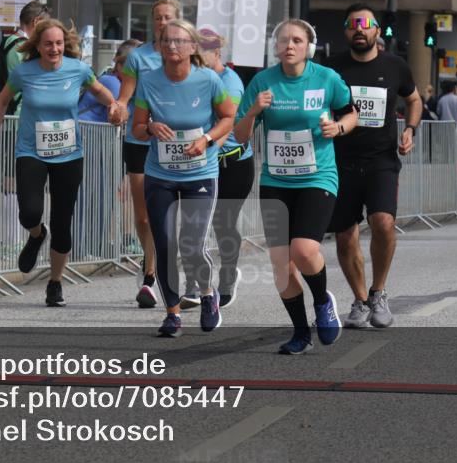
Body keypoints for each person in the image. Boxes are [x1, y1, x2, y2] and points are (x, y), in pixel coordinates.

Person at [234, 19, 358, 355]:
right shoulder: (262, 82)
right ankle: (301, 333)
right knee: (281, 263)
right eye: (284, 40)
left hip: (318, 176)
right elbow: (240, 136)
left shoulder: (326, 78)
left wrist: (338, 128)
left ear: (309, 47)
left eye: (297, 40)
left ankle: (322, 302)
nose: (290, 46)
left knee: (302, 250)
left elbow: (351, 115)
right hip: (276, 180)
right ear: (275, 47)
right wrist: (254, 111)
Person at [0, 19, 124, 307]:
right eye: (48, 44)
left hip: (68, 154)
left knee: (63, 221)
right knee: (29, 212)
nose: (54, 49)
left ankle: (55, 282)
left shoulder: (78, 69)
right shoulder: (24, 72)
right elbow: (1, 102)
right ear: (38, 46)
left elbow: (99, 90)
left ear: (65, 44)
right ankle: (37, 235)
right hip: (31, 151)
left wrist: (113, 105)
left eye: (59, 43)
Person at [131, 19, 236, 336]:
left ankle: (207, 294)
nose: (172, 46)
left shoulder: (208, 80)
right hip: (160, 174)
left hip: (200, 173)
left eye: (179, 41)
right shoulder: (149, 81)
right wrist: (150, 127)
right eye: (166, 41)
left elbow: (228, 117)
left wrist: (206, 139)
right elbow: (137, 128)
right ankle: (172, 314)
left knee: (192, 244)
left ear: (192, 47)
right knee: (164, 244)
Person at [326, 5, 421, 329]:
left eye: (366, 24)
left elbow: (414, 99)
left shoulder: (395, 66)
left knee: (382, 222)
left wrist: (410, 129)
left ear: (377, 30)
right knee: (344, 236)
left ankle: (378, 292)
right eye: (353, 24)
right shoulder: (332, 68)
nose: (360, 29)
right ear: (345, 31)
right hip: (340, 161)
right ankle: (359, 300)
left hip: (381, 160)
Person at [116, 0, 180, 308]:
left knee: (169, 214)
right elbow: (125, 96)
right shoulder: (138, 58)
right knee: (143, 216)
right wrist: (118, 108)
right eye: (158, 17)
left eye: (168, 17)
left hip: (176, 144)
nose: (162, 22)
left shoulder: (188, 54)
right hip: (140, 141)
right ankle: (150, 270)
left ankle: (156, 273)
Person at [198, 28, 254, 308]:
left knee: (223, 221)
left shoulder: (229, 82)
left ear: (217, 53)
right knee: (199, 221)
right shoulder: (197, 77)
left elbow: (227, 124)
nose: (196, 59)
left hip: (234, 162)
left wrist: (208, 146)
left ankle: (228, 274)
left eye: (202, 53)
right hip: (205, 159)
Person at [79, 39, 138, 122]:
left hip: (95, 128)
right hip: (85, 128)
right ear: (119, 65)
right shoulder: (112, 82)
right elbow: (124, 113)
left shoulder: (115, 79)